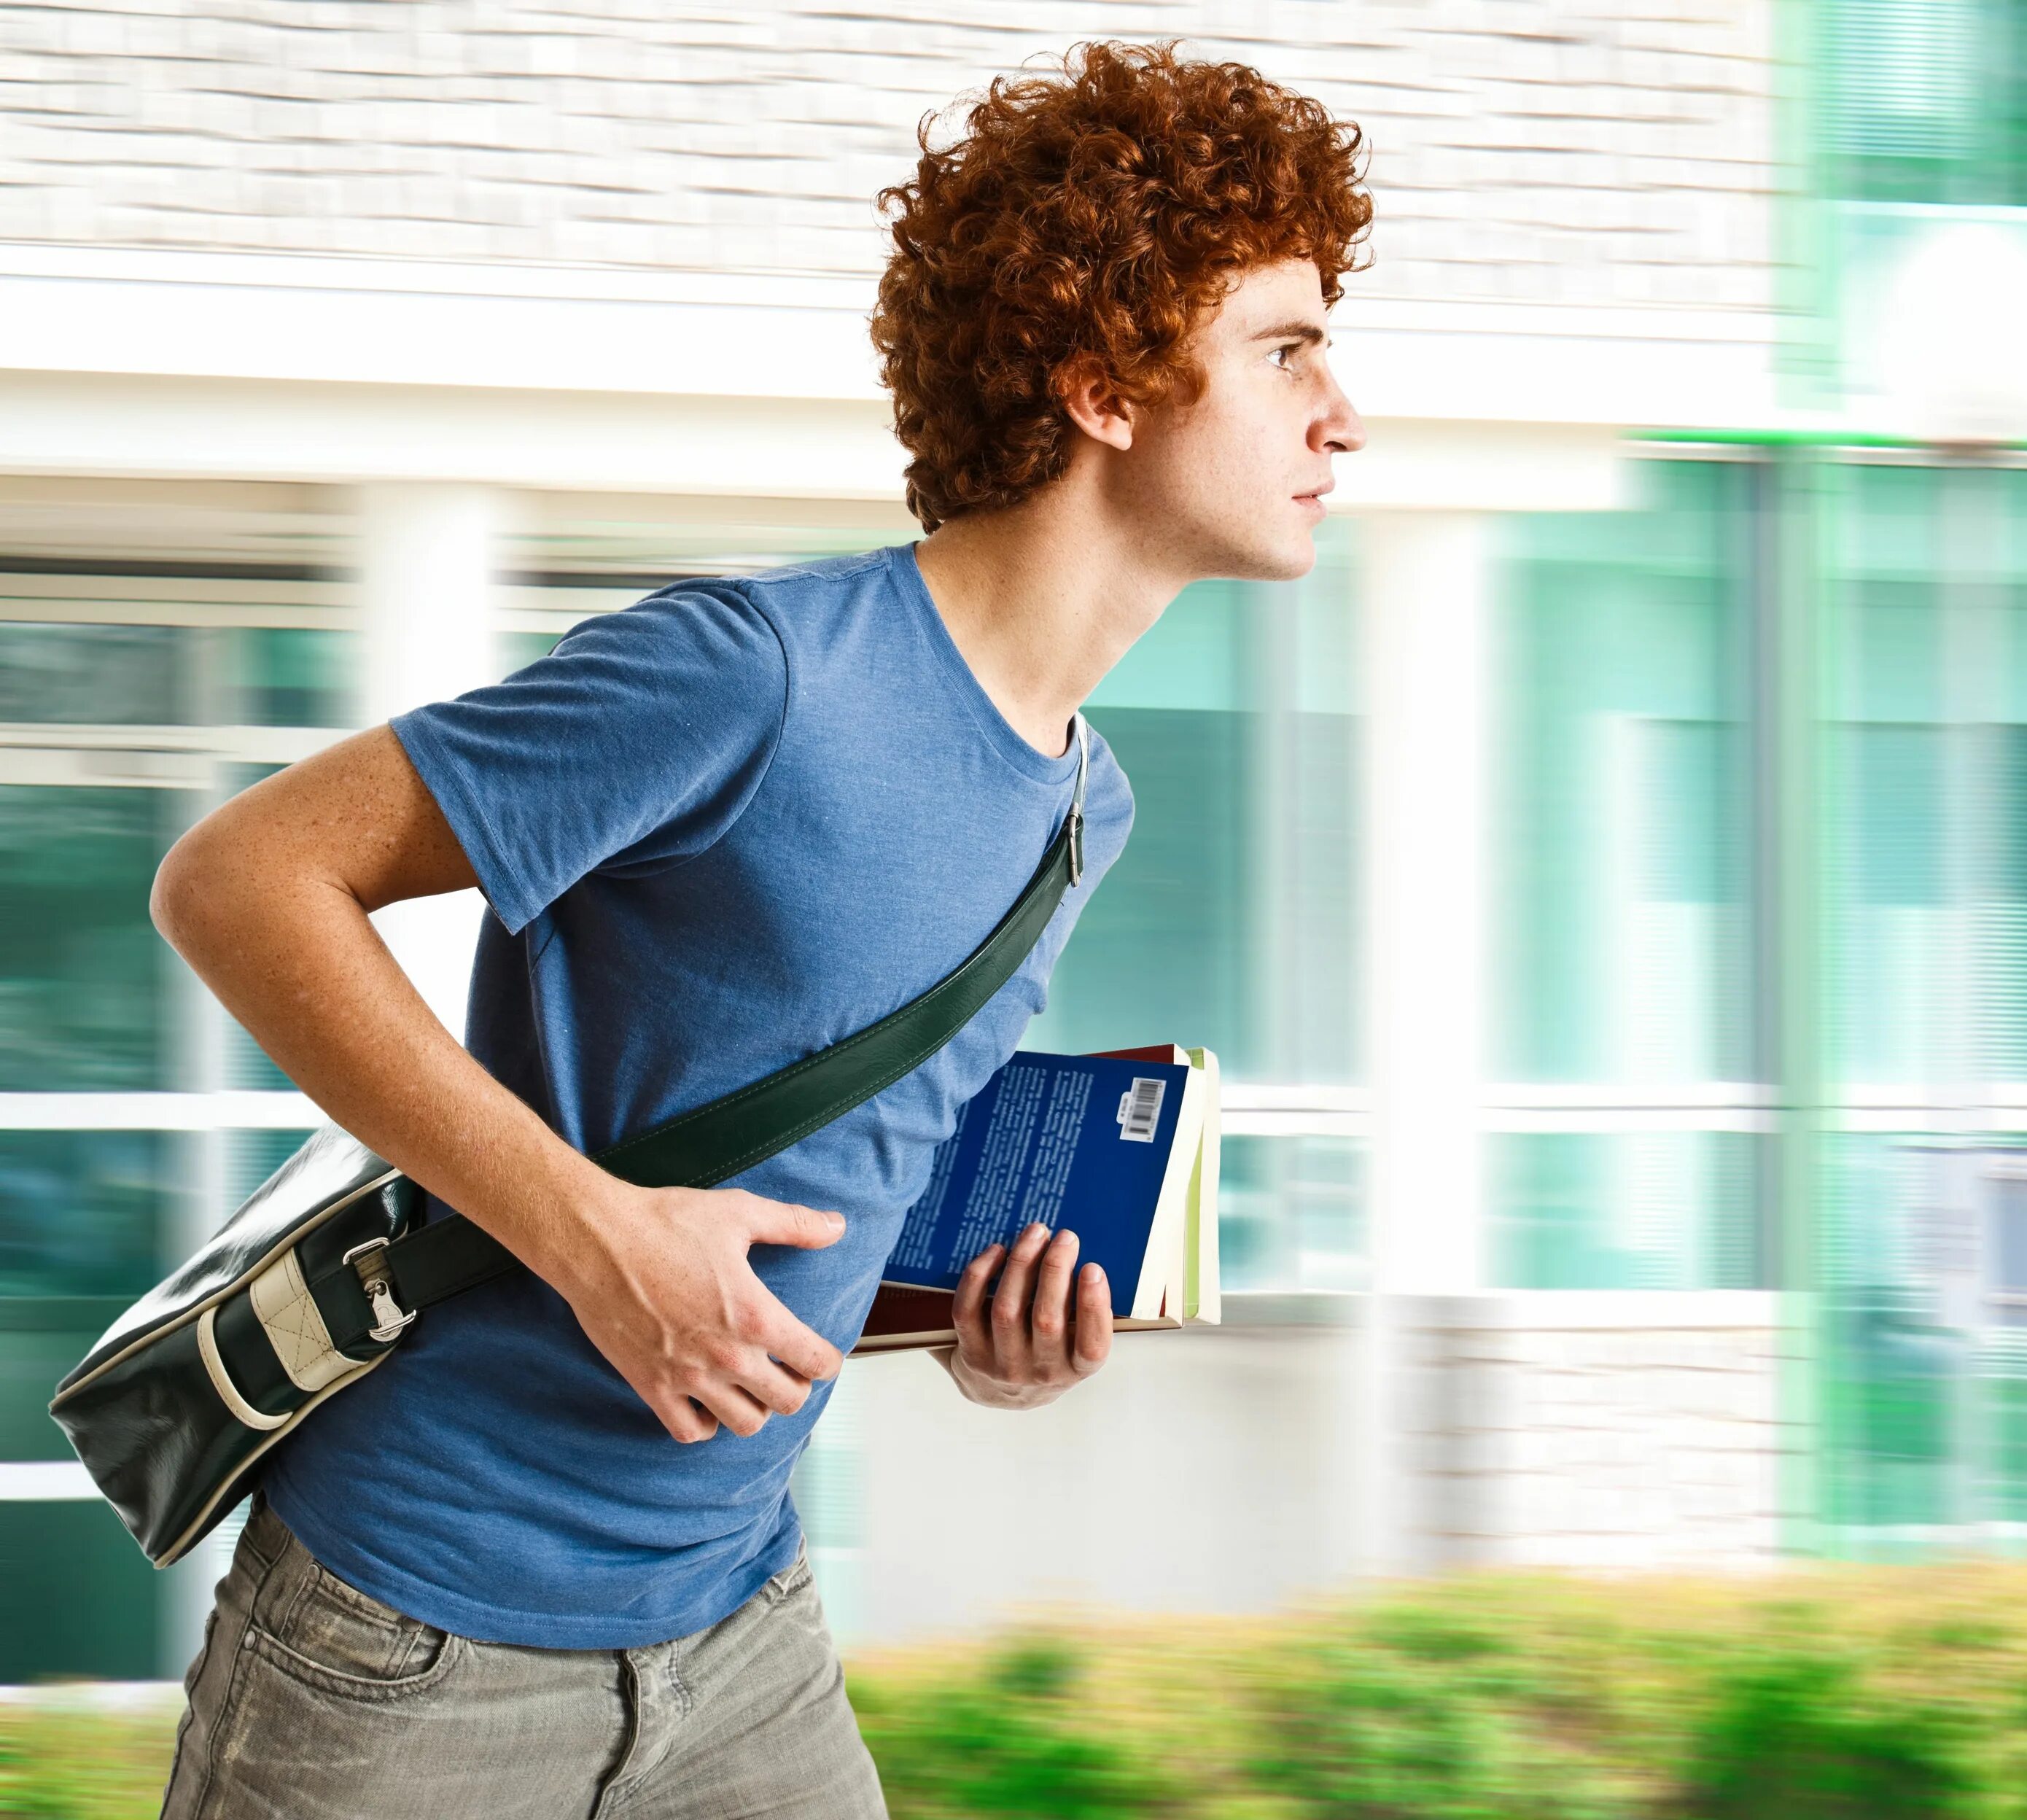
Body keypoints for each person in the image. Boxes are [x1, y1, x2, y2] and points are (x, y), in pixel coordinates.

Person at [149, 36, 1370, 1820]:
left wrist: (967, 1326)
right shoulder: (753, 675)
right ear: (1110, 384)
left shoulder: (1080, 804)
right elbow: (242, 878)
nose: (1344, 411)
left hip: (743, 1641)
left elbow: (808, 1170)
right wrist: (596, 1241)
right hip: (411, 1639)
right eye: (1286, 351)